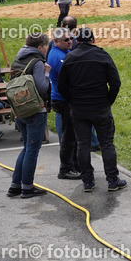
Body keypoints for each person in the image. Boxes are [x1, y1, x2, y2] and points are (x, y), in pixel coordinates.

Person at [59, 27, 125, 192]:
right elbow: (115, 82)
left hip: (79, 108)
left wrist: (72, 100)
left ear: (77, 41)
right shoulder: (102, 56)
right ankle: (112, 179)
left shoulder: (69, 58)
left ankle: (87, 181)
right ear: (93, 40)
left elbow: (61, 86)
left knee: (82, 144)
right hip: (100, 107)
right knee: (107, 143)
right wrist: (108, 100)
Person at [7, 34, 51, 198]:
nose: (47, 49)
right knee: (32, 149)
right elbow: (42, 88)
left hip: (19, 109)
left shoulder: (18, 59)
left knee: (26, 147)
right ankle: (27, 187)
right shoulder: (37, 62)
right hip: (35, 109)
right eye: (46, 46)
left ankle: (15, 185)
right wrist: (46, 74)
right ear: (40, 47)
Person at [47, 27, 81, 180]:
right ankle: (66, 168)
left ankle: (74, 165)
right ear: (56, 41)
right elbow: (66, 81)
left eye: (71, 38)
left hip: (64, 99)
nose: (70, 41)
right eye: (66, 40)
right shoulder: (57, 57)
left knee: (72, 135)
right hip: (63, 100)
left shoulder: (63, 53)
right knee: (68, 137)